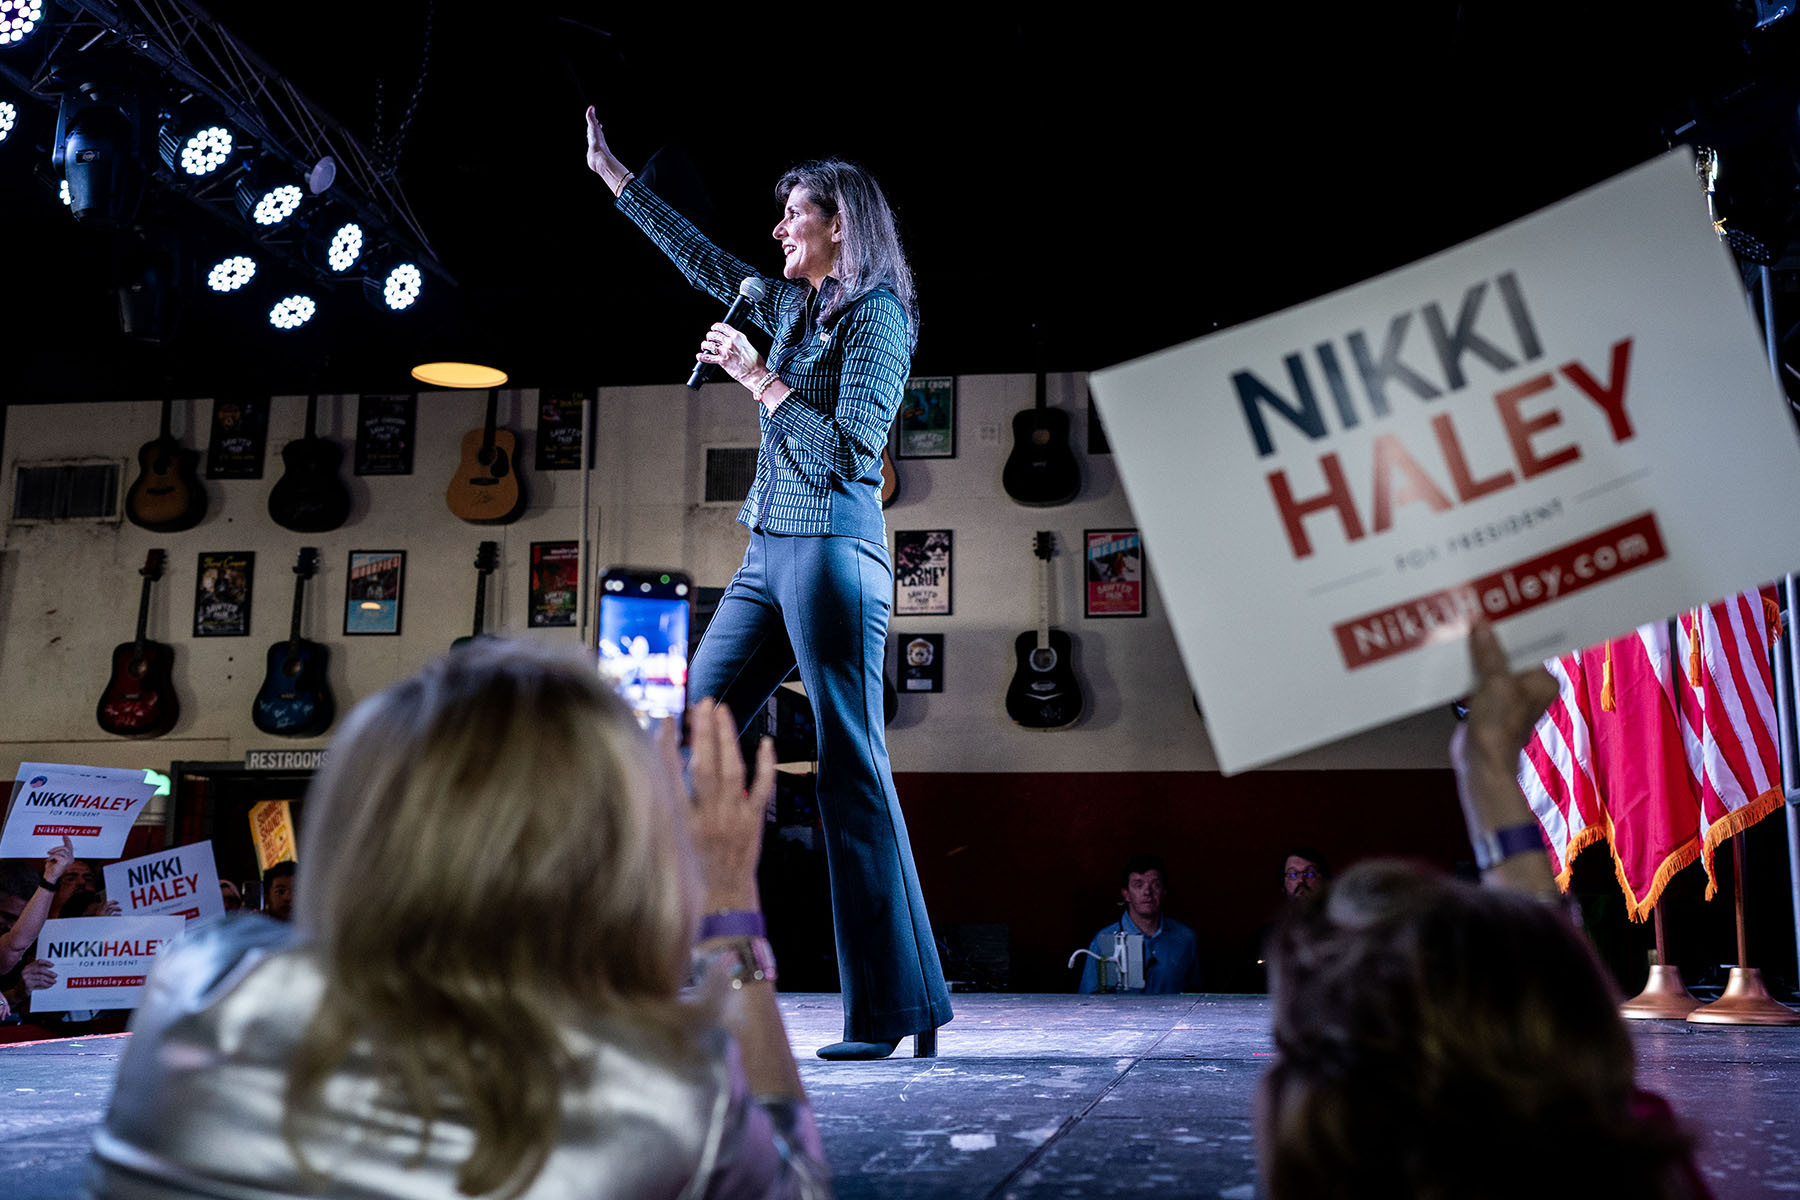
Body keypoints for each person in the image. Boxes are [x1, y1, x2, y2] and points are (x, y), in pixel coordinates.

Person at [88, 638, 828, 1198]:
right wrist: (730, 906)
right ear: (610, 855)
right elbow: (796, 1179)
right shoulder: (674, 1095)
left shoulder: (194, 980)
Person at [584, 108, 951, 1060]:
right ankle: (650, 966)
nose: (780, 229)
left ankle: (890, 1010)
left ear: (841, 227)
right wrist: (619, 182)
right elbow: (705, 261)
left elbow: (851, 454)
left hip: (835, 551)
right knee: (680, 735)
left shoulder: (879, 319)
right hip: (764, 554)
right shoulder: (786, 305)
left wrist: (756, 381)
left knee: (848, 773)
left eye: (796, 216)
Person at [1255, 622, 1713, 1200]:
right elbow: (1565, 1031)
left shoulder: (1336, 1153)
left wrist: (1485, 764)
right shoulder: (1620, 1157)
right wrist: (1486, 767)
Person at [1076, 854, 1200, 993]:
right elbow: (1088, 1000)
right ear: (1126, 894)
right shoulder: (1105, 940)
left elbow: (1196, 996)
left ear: (1164, 892)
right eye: (1138, 885)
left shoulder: (1185, 939)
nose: (1147, 892)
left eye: (1155, 885)